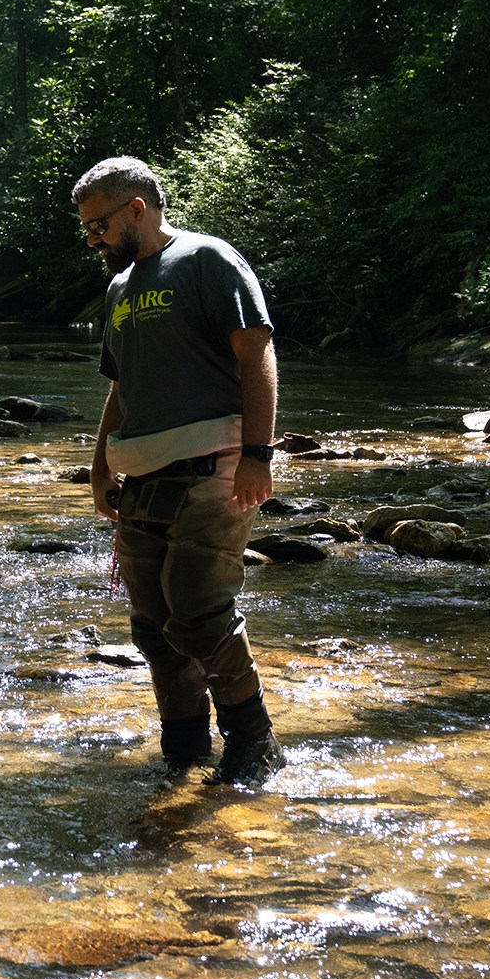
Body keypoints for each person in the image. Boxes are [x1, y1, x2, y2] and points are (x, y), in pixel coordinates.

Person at [76, 156, 286, 787]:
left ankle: (253, 739)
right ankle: (186, 749)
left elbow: (257, 353)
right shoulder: (118, 291)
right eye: (87, 230)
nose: (94, 240)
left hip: (214, 467)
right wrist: (99, 467)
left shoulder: (208, 260)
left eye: (100, 226)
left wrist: (257, 454)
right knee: (153, 627)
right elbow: (121, 386)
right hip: (141, 476)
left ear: (136, 209)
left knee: (196, 611)